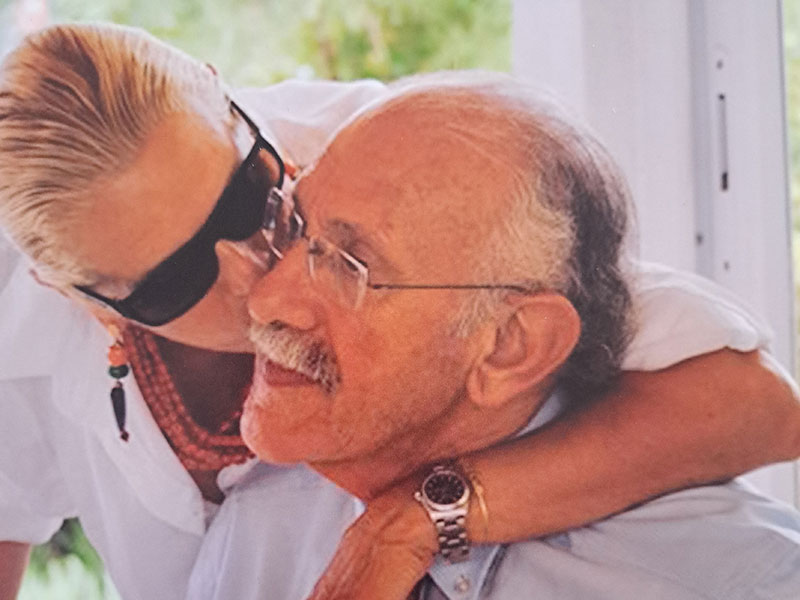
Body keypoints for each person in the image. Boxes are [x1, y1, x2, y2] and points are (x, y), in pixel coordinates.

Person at [0, 23, 797, 600]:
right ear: (71, 293)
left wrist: (418, 521)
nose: (264, 281)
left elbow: (748, 403)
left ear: (229, 102)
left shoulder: (388, 163)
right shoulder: (28, 343)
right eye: (176, 279)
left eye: (257, 199)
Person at [196, 73, 800, 600]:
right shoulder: (258, 530)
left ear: (511, 346)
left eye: (349, 266)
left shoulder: (730, 582)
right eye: (294, 224)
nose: (265, 298)